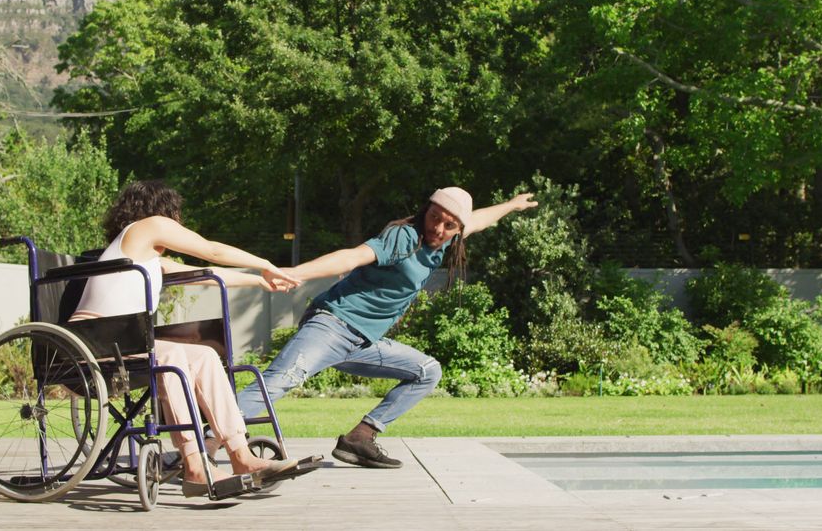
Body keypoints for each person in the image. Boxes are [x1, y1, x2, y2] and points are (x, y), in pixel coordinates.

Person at [234, 187, 538, 468]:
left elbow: (480, 219)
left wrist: (511, 205)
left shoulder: (447, 240)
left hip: (362, 342)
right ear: (426, 210)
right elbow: (352, 257)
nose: (438, 229)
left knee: (427, 371)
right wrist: (295, 273)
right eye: (435, 218)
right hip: (332, 326)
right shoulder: (404, 237)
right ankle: (203, 441)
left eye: (449, 226)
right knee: (279, 381)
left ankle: (359, 439)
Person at [70, 180, 303, 497]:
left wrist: (259, 282)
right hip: (92, 344)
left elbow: (208, 274)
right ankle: (193, 464)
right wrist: (265, 263)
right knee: (171, 357)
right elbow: (212, 250)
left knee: (204, 355)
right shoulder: (147, 226)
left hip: (123, 345)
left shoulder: (147, 256)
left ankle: (241, 455)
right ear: (164, 212)